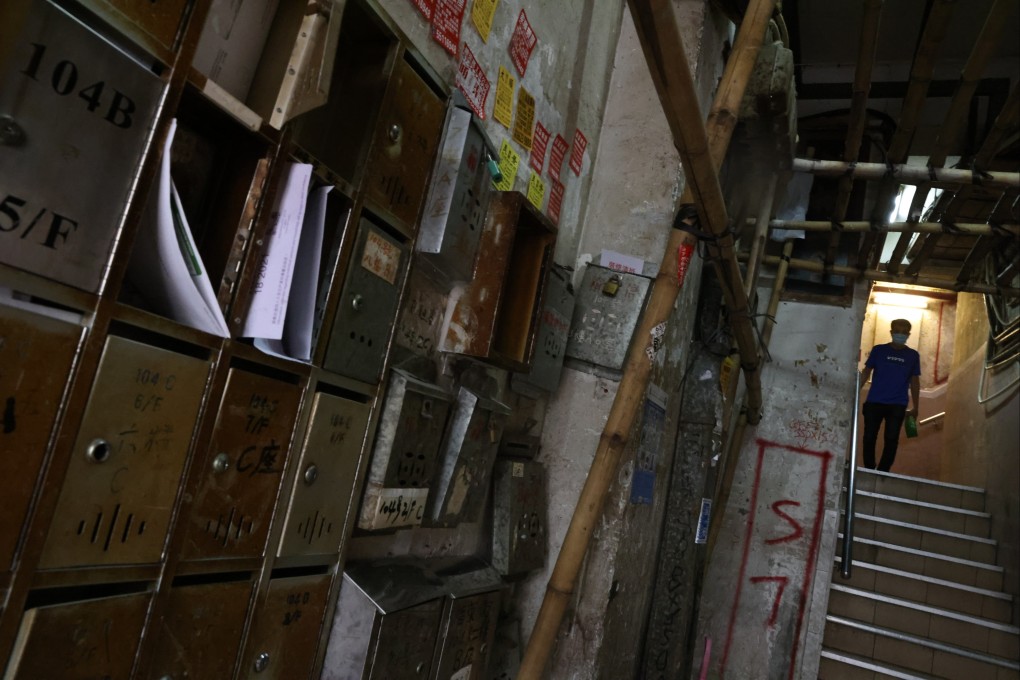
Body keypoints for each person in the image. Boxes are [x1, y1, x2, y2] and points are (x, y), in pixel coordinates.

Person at [860, 319, 921, 472]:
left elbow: (915, 382)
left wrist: (916, 406)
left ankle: (883, 471)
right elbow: (866, 372)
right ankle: (869, 468)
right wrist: (854, 393)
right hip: (874, 402)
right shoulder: (879, 350)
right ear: (891, 332)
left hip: (897, 404)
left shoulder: (912, 356)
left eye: (903, 332)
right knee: (869, 437)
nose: (900, 334)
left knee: (892, 439)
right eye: (897, 331)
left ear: (908, 334)